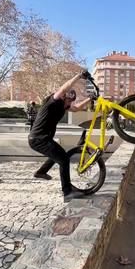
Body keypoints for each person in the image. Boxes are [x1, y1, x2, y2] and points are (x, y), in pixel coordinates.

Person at [28, 70, 94, 199]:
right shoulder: (53, 100)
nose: (70, 104)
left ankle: (41, 172)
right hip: (38, 139)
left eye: (71, 102)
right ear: (64, 97)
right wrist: (79, 76)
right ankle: (67, 192)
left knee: (57, 154)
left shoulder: (64, 105)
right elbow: (65, 87)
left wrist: (89, 99)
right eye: (69, 101)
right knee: (64, 159)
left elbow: (77, 108)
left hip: (42, 139)